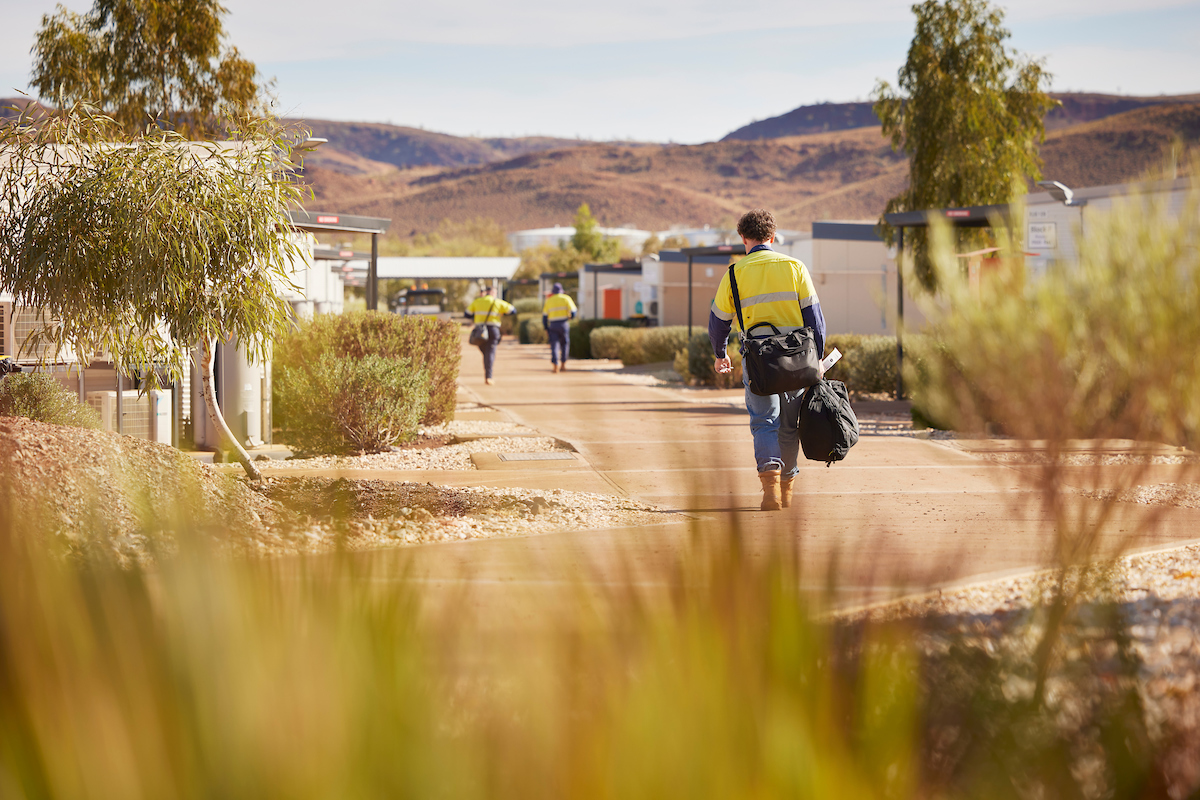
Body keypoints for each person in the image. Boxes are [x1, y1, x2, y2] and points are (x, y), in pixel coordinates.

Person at [709, 208, 826, 511]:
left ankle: (769, 492)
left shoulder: (734, 273)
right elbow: (815, 319)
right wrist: (819, 360)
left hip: (758, 362)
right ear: (772, 237)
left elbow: (719, 321)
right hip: (796, 360)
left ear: (743, 238)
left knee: (764, 423)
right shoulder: (795, 267)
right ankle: (786, 491)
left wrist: (720, 354)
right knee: (789, 425)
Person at [465, 286, 515, 385]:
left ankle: (488, 371)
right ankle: (489, 376)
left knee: (486, 353)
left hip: (480, 331)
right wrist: (502, 313)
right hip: (493, 330)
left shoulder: (478, 301)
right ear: (493, 293)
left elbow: (467, 314)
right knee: (490, 353)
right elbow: (513, 310)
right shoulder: (498, 302)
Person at [541, 282, 578, 372]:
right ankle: (563, 364)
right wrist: (571, 318)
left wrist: (546, 328)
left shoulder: (549, 300)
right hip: (563, 324)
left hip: (553, 325)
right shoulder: (566, 298)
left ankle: (555, 365)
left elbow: (545, 316)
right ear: (561, 291)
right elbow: (573, 311)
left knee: (554, 345)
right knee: (564, 344)